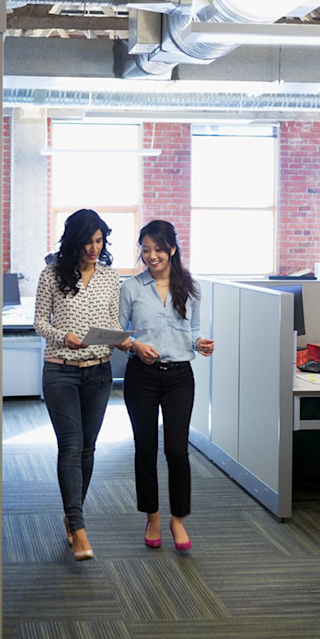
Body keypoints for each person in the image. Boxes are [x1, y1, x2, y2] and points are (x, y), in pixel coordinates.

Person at [34, 208, 125, 562]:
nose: (93, 247)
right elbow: (40, 322)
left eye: (99, 240)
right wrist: (63, 336)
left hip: (99, 372)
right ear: (74, 240)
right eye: (87, 240)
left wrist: (121, 340)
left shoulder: (109, 277)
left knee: (88, 448)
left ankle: (72, 516)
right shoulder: (51, 274)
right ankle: (80, 525)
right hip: (61, 371)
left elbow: (112, 320)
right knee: (70, 447)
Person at [118, 221, 214, 553]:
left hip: (179, 377)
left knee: (176, 450)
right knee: (145, 449)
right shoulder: (131, 288)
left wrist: (200, 342)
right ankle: (153, 516)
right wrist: (134, 345)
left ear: (172, 249)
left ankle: (178, 519)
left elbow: (194, 328)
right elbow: (119, 333)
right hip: (141, 377)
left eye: (158, 249)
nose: (151, 256)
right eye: (145, 250)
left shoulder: (191, 287)